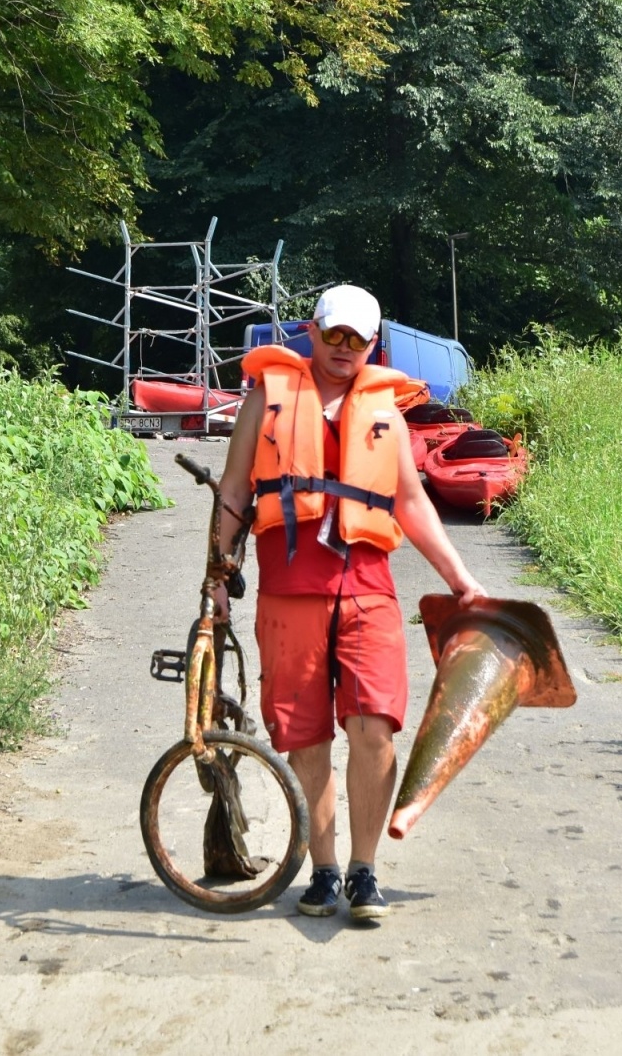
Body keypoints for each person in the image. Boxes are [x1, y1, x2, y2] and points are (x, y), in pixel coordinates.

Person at [214, 284, 489, 921]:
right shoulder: (266, 399)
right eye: (334, 335)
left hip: (367, 590)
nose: (344, 349)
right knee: (304, 738)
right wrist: (216, 577)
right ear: (312, 331)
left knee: (375, 730)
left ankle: (365, 871)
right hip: (289, 592)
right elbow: (233, 491)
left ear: (374, 344)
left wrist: (460, 579)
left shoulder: (384, 413)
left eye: (357, 339)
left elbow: (413, 504)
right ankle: (325, 869)